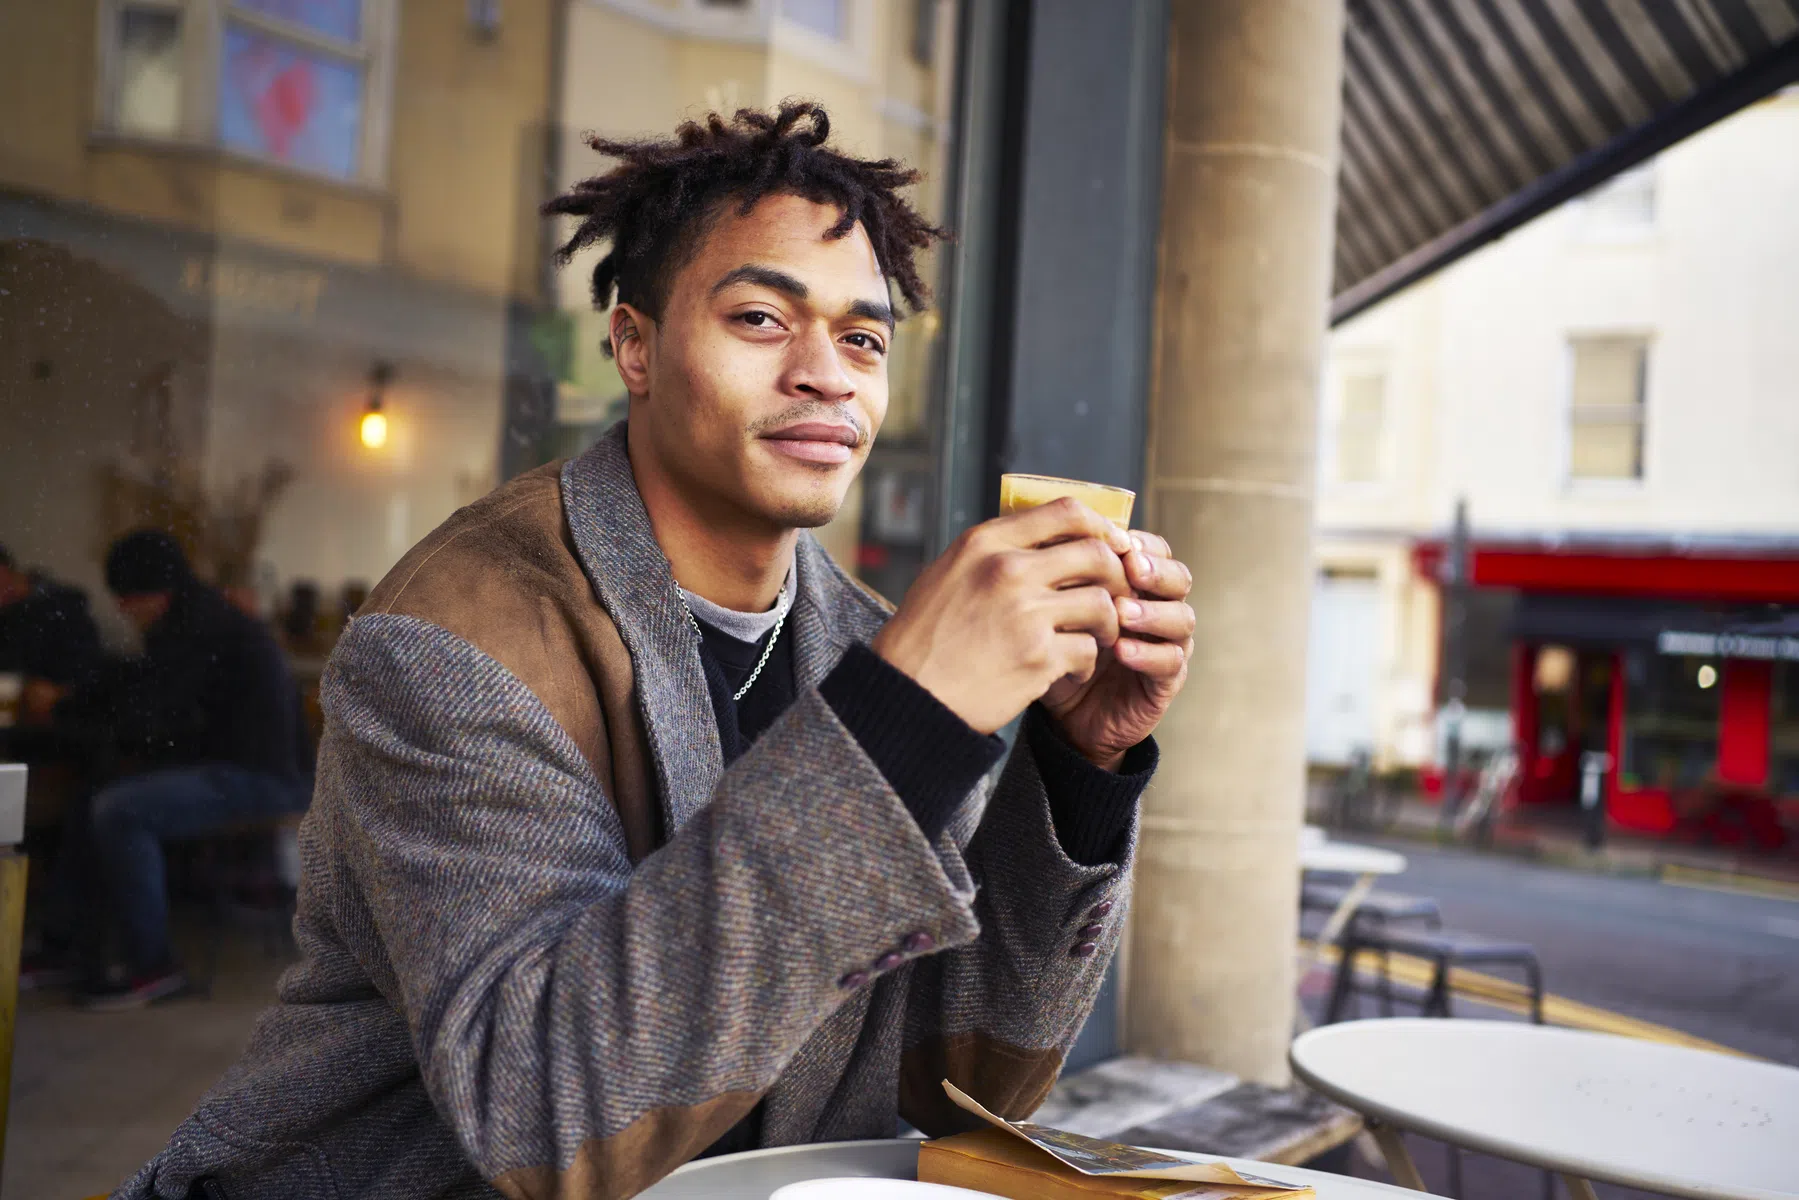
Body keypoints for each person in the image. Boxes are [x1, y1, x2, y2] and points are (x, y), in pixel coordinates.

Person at [118, 103, 1196, 1199]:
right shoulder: (451, 639)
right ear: (634, 345)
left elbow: (961, 1077)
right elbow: (550, 1115)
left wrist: (1077, 769)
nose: (828, 374)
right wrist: (904, 718)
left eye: (862, 338)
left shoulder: (866, 639)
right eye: (762, 321)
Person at [48, 530, 313, 1010]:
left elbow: (153, 715)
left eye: (128, 598)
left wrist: (74, 712)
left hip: (265, 780)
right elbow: (147, 698)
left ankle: (152, 968)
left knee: (120, 809)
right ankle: (63, 946)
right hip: (240, 768)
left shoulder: (199, 627)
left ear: (154, 593)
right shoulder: (196, 619)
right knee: (95, 798)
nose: (124, 610)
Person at [0, 541, 102, 728]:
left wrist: (59, 693)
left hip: (62, 726)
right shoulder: (9, 615)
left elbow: (90, 675)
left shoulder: (63, 611)